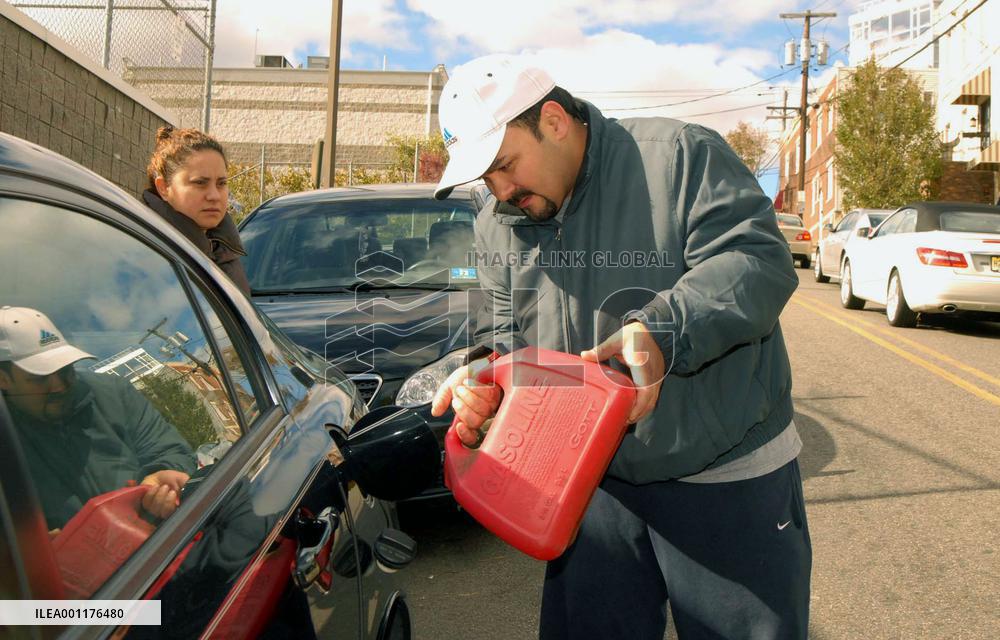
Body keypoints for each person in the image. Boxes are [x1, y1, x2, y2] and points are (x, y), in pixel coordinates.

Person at [430, 54, 810, 639]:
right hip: (587, 482)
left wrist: (661, 332)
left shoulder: (679, 156)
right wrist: (481, 377)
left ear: (554, 121)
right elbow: (501, 334)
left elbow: (757, 261)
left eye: (505, 165)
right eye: (485, 178)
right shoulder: (498, 221)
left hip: (724, 473)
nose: (501, 190)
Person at [0, 306, 197, 531]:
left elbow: (172, 450)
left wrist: (160, 477)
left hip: (164, 535)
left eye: (65, 369)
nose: (60, 385)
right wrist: (33, 547)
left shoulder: (113, 392)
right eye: (40, 377)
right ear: (3, 379)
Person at [144, 126, 251, 296]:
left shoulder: (222, 250)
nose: (214, 196)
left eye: (221, 183)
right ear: (163, 187)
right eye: (200, 183)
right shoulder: (146, 250)